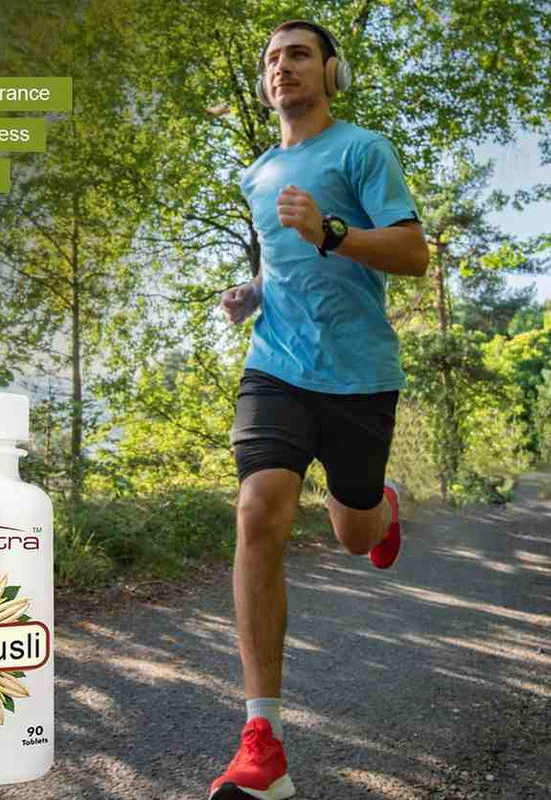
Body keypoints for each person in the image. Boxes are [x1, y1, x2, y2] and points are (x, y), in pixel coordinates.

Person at [209, 19, 430, 800]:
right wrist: (254, 293)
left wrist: (334, 231)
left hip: (360, 375)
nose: (281, 67)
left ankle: (380, 506)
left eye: (298, 54)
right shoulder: (258, 172)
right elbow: (285, 266)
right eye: (271, 57)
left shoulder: (363, 150)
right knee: (258, 510)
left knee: (352, 532)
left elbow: (411, 254)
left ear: (330, 72)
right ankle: (261, 742)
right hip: (275, 368)